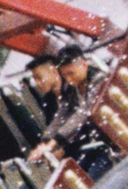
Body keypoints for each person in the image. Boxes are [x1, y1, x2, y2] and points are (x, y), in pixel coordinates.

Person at [22, 45, 117, 179]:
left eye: (71, 73)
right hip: (97, 144)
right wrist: (44, 142)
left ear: (84, 65)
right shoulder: (70, 88)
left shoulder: (100, 80)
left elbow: (83, 113)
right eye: (65, 75)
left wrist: (53, 143)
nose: (68, 79)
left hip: (113, 139)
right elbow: (62, 114)